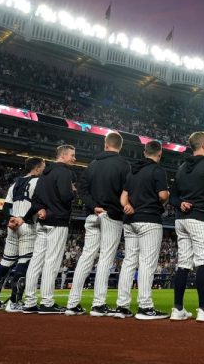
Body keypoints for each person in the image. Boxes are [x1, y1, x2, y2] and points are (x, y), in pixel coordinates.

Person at [66, 132, 130, 317]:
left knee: (86, 257)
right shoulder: (124, 165)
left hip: (92, 215)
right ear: (120, 145)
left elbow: (82, 190)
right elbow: (127, 191)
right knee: (105, 259)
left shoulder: (92, 165)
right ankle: (98, 304)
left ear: (105, 144)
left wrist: (94, 207)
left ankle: (72, 304)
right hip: (112, 216)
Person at [171, 131, 204, 322]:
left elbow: (173, 196)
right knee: (203, 261)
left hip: (181, 218)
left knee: (183, 263)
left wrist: (181, 204)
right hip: (201, 217)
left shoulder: (182, 167)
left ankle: (177, 309)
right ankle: (203, 310)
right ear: (203, 144)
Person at [114, 140, 169, 320]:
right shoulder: (158, 170)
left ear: (144, 152)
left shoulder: (133, 171)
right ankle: (145, 307)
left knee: (129, 262)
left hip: (130, 220)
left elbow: (123, 198)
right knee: (147, 263)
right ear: (159, 154)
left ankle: (122, 306)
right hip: (149, 219)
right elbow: (162, 195)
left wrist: (128, 205)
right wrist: (166, 196)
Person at [0, 157, 45, 312]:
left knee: (5, 263)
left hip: (12, 227)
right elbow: (37, 205)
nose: (44, 170)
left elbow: (6, 206)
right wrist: (22, 219)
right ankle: (14, 302)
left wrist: (10, 219)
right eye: (43, 167)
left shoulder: (15, 183)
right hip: (27, 225)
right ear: (37, 168)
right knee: (24, 264)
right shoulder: (38, 182)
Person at [23, 145, 77, 314]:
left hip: (43, 222)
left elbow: (36, 198)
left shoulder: (44, 174)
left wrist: (40, 209)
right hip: (58, 221)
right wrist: (74, 191)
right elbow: (66, 196)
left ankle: (29, 301)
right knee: (51, 262)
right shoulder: (65, 173)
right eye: (72, 155)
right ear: (62, 155)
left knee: (36, 261)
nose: (74, 158)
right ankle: (47, 302)